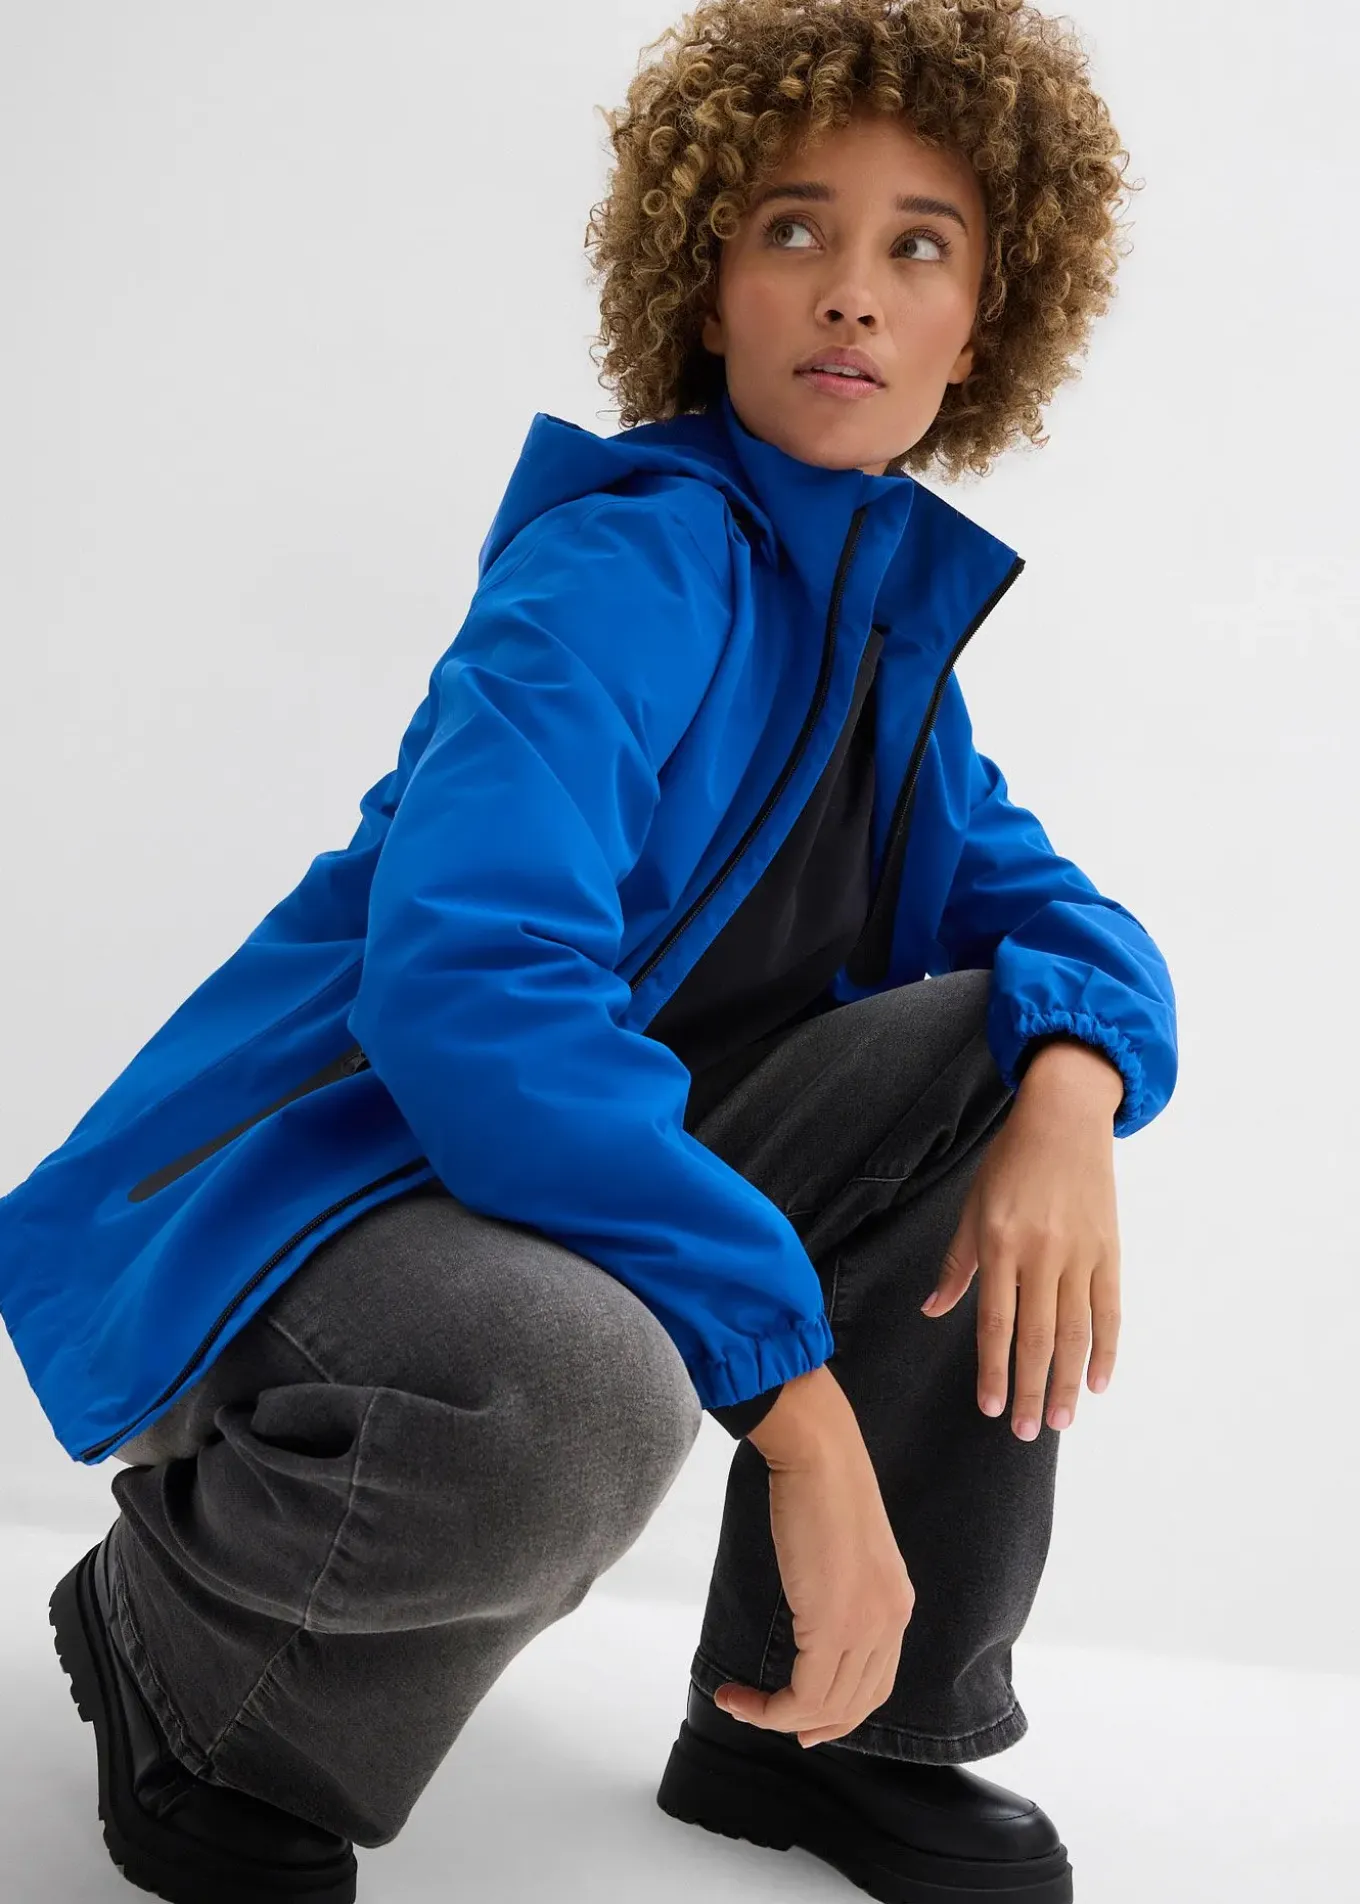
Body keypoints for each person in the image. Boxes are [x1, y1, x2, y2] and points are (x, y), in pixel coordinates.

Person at [5, 2, 1177, 1899]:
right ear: (707, 286)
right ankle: (194, 1660)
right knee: (585, 1390)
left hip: (544, 1210)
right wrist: (798, 1416)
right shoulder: (619, 568)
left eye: (919, 247)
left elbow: (1068, 926)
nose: (853, 292)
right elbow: (472, 997)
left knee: (996, 1045)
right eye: (794, 229)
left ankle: (822, 1726)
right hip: (329, 1203)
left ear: (983, 327)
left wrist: (1070, 1092)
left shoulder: (881, 651)